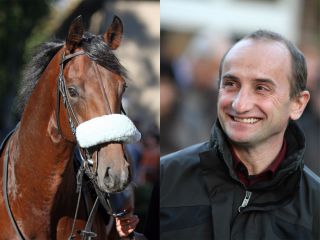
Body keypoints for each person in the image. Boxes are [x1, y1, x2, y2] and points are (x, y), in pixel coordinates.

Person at [160, 30, 320, 240]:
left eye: (261, 88)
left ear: (297, 104)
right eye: (231, 84)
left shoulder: (315, 205)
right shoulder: (167, 177)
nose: (240, 104)